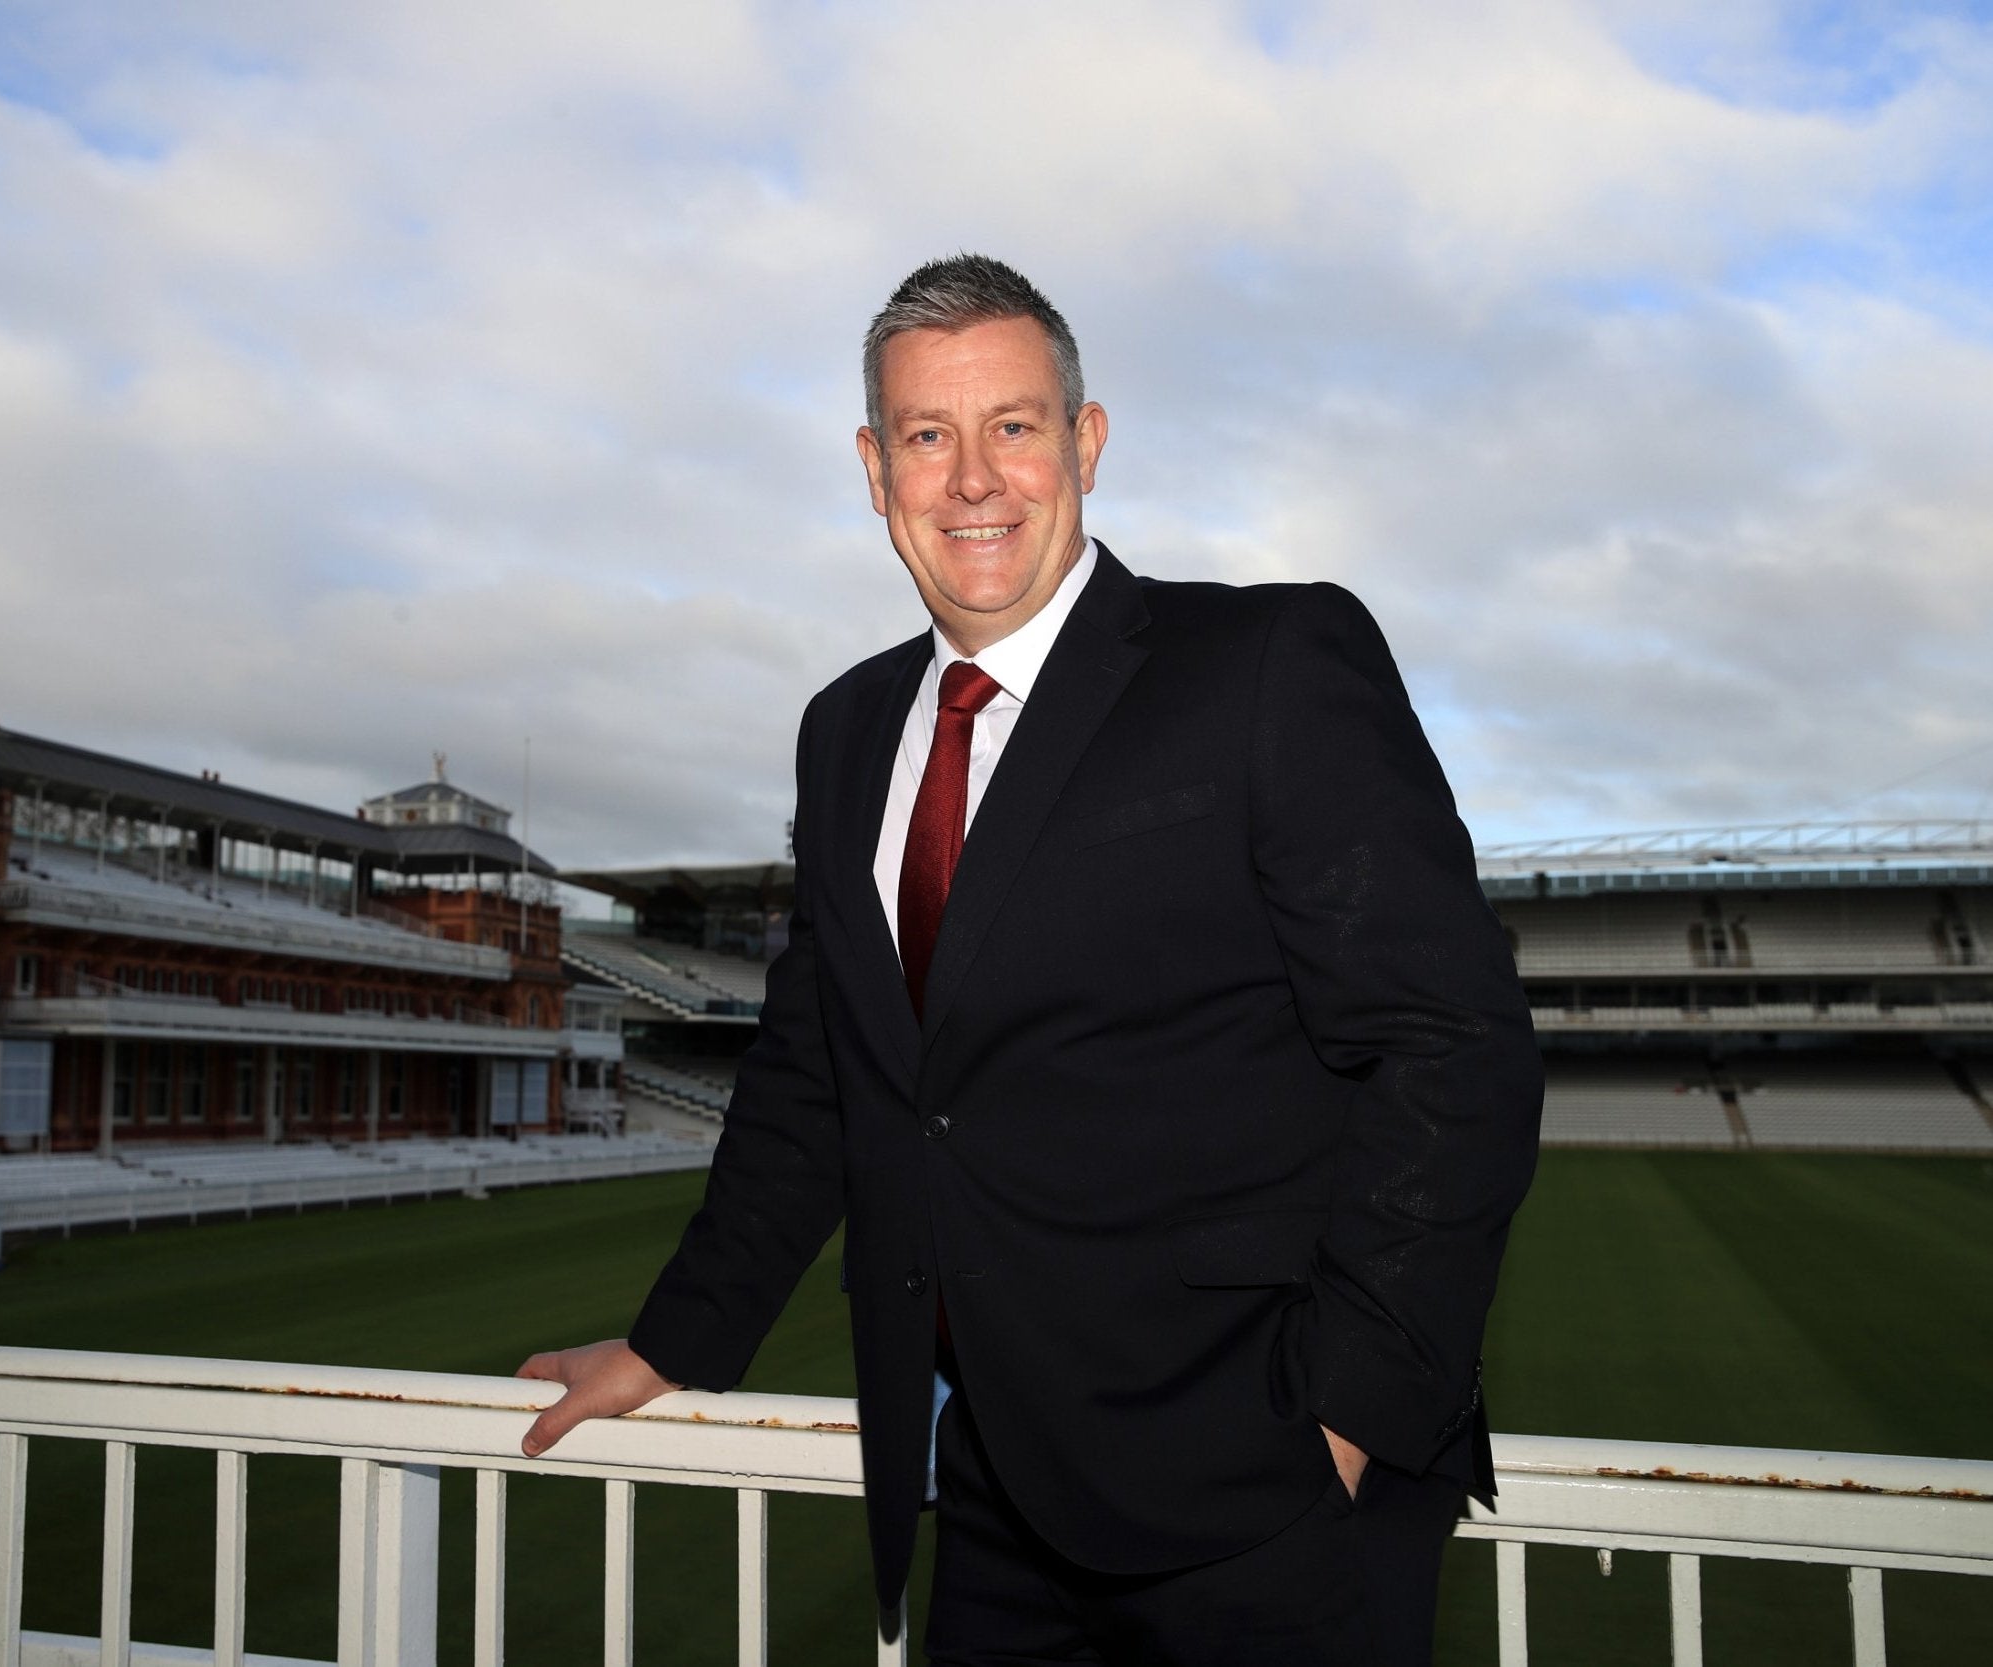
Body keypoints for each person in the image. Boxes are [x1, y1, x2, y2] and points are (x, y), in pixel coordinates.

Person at [518, 254, 1544, 1665]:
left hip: (1264, 1493)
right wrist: (673, 1339)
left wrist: (1345, 1427)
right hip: (988, 1491)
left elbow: (1452, 1044)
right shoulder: (845, 730)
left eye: (1013, 425)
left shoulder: (1262, 657)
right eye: (928, 437)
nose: (973, 479)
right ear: (874, 471)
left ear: (1086, 443)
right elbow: (822, 1066)